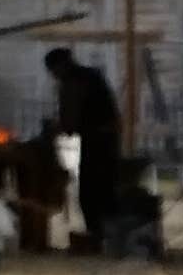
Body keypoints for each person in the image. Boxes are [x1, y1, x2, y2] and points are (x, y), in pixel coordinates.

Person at [42, 43, 129, 243]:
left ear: (59, 67)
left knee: (92, 190)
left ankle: (99, 234)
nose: (53, 76)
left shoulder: (74, 83)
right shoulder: (91, 76)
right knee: (106, 188)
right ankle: (108, 234)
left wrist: (54, 128)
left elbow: (70, 124)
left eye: (53, 71)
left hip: (98, 141)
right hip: (106, 139)